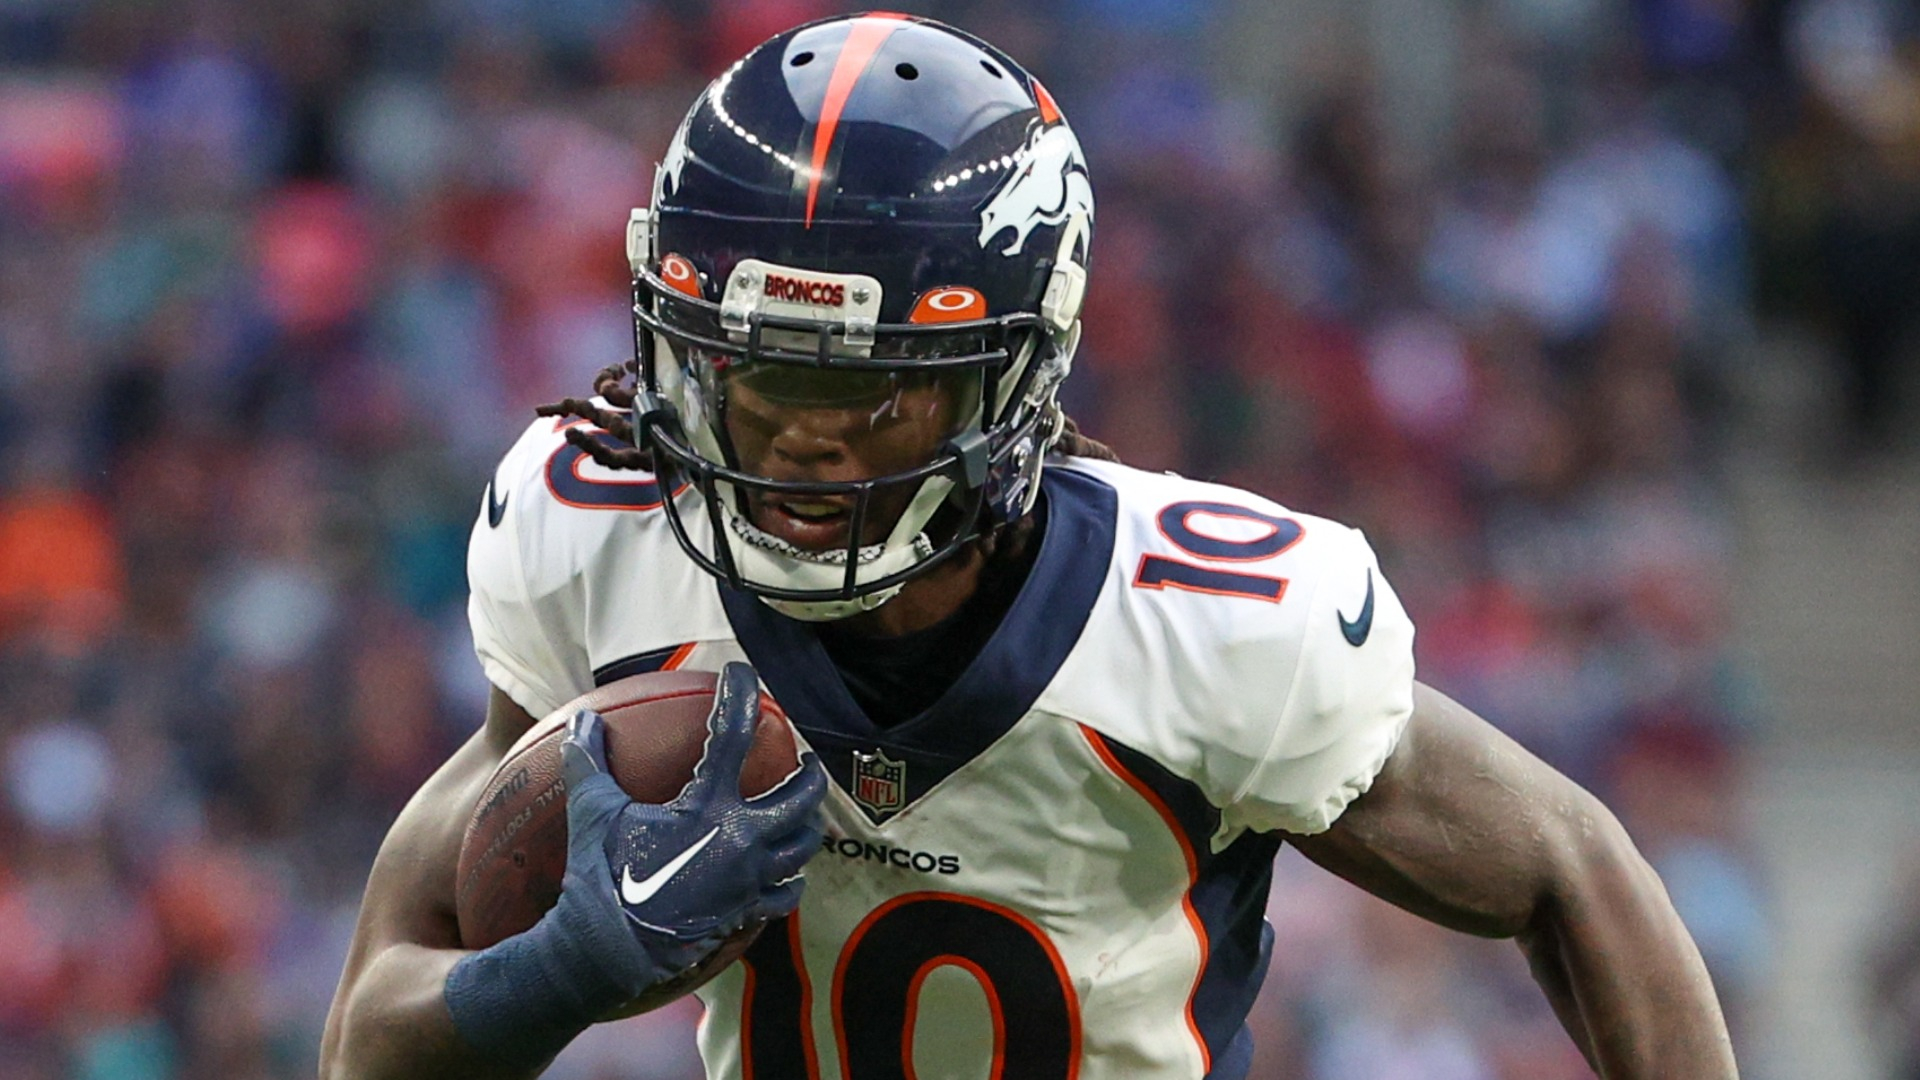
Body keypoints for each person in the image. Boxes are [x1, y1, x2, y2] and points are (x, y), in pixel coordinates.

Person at [321, 13, 1738, 1079]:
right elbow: (369, 1036)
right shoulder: (600, 540)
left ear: (1017, 374)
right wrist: (549, 977)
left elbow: (1573, 869)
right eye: (756, 377)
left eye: (873, 391)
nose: (803, 444)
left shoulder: (1209, 626)